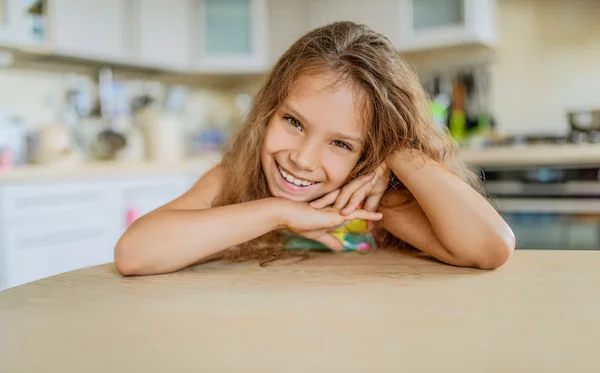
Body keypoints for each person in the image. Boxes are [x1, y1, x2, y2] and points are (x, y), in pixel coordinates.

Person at [114, 21, 515, 276]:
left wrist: (398, 150)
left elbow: (491, 246)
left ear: (368, 155)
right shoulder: (234, 183)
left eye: (341, 143)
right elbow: (134, 253)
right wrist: (278, 212)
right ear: (268, 112)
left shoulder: (372, 210)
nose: (302, 159)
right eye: (293, 122)